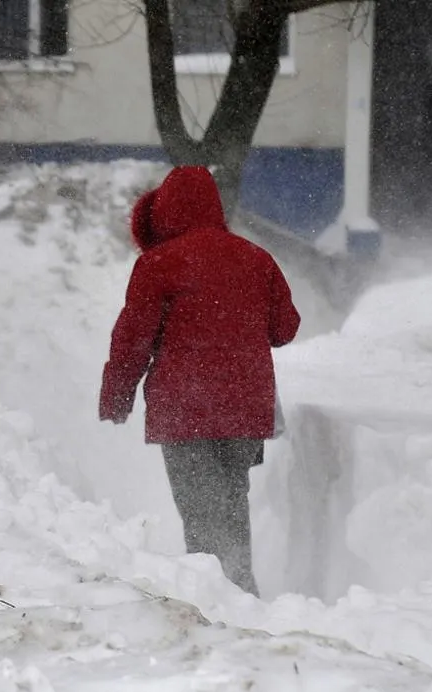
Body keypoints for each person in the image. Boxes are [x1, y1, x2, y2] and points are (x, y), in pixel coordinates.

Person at [98, 166, 301, 596]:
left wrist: (117, 396)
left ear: (165, 211)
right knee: (231, 503)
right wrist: (238, 321)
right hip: (245, 407)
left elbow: (133, 339)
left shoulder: (157, 265)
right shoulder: (256, 258)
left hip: (184, 409)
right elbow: (285, 329)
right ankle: (240, 593)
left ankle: (221, 602)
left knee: (202, 512)